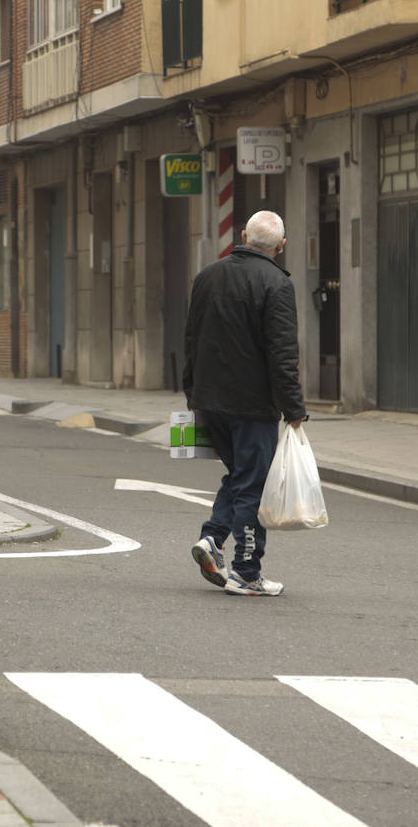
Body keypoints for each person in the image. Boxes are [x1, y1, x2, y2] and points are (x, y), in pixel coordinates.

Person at [183, 210, 306, 597]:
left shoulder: (206, 277)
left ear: (243, 235)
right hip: (252, 407)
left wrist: (191, 394)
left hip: (209, 402)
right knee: (254, 486)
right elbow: (282, 354)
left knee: (241, 476)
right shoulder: (277, 284)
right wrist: (294, 409)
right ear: (281, 245)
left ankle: (212, 539)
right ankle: (246, 572)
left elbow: (191, 339)